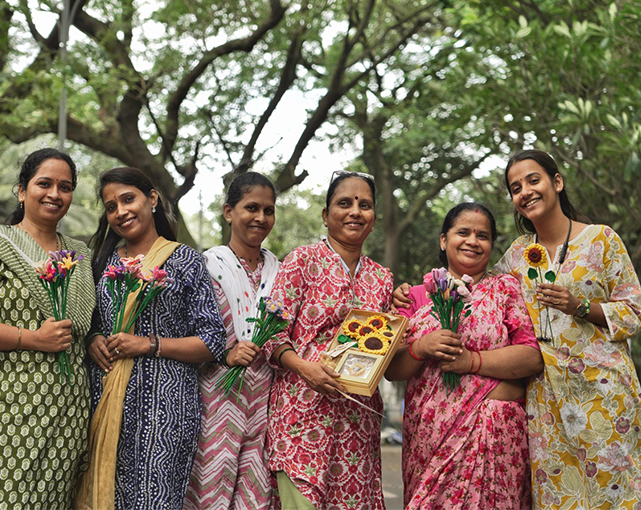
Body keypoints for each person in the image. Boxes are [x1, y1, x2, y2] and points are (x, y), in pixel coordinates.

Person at [394, 149, 641, 507]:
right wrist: (411, 294)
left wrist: (581, 306)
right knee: (558, 497)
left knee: (613, 494)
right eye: (515, 186)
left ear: (557, 182)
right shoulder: (516, 255)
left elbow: (633, 312)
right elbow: (475, 287)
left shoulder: (601, 240)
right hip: (545, 403)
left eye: (533, 180)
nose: (524, 191)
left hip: (601, 395)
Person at [0, 149, 96, 509]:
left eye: (65, 187)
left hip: (67, 409)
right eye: (43, 183)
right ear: (21, 190)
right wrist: (32, 338)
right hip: (2, 407)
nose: (54, 194)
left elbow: (89, 324)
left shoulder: (80, 255)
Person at [77, 167, 225, 510]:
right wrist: (93, 339)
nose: (120, 212)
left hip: (166, 410)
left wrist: (149, 344)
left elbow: (213, 341)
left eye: (128, 199)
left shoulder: (184, 260)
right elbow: (92, 323)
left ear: (152, 198)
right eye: (111, 206)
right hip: (105, 402)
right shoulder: (103, 264)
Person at [384, 202, 543, 509]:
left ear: (491, 245)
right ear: (444, 240)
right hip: (429, 440)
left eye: (482, 235)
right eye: (463, 232)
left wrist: (470, 361)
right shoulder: (415, 296)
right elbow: (393, 370)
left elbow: (531, 357)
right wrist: (421, 347)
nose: (472, 240)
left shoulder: (506, 290)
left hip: (496, 444)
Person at [265, 170, 393, 510]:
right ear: (326, 216)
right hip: (301, 416)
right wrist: (304, 367)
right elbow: (269, 335)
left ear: (373, 219)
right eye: (344, 203)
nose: (355, 211)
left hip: (357, 424)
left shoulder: (382, 278)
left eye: (364, 205)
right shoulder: (300, 262)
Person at [184, 172, 280, 510]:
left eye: (269, 210)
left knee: (255, 496)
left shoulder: (279, 272)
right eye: (251, 208)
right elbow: (188, 334)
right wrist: (225, 354)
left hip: (266, 401)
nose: (261, 218)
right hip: (217, 397)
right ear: (228, 212)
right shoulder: (205, 267)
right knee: (211, 491)